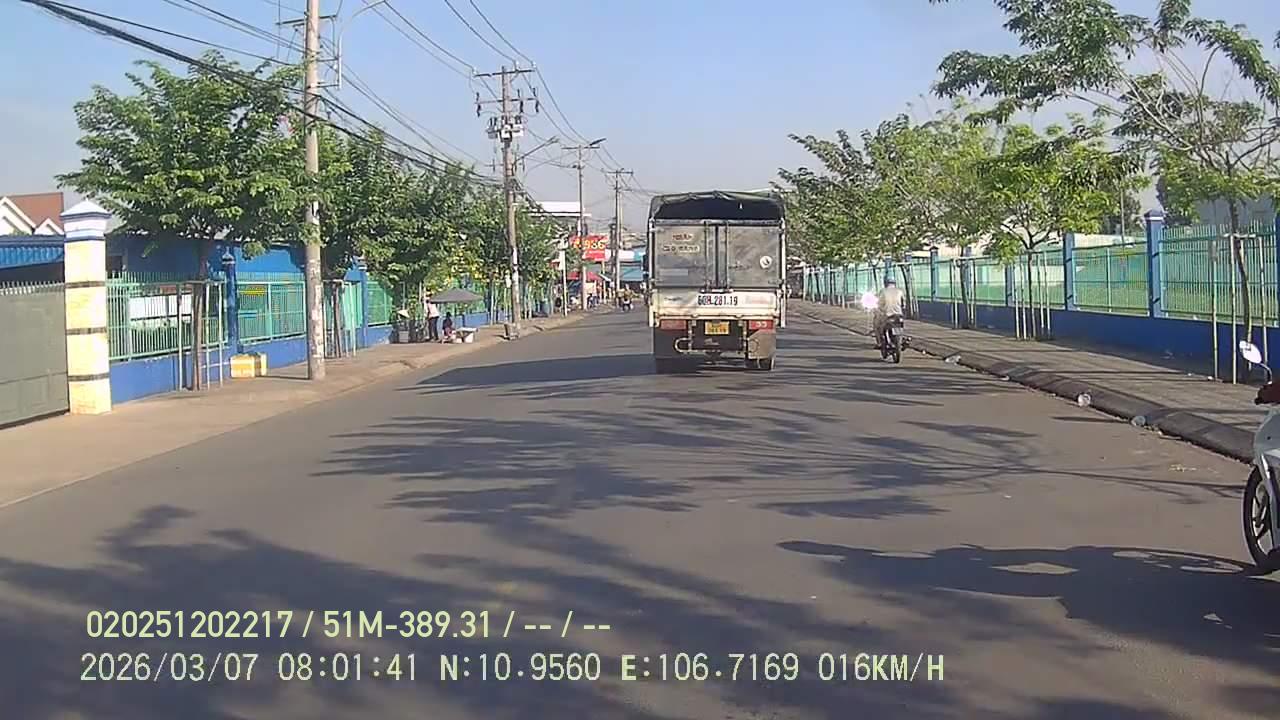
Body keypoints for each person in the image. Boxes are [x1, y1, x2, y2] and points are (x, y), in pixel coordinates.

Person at [873, 278, 905, 349]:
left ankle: (879, 343)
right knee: (900, 327)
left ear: (885, 284)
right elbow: (903, 304)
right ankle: (900, 341)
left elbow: (879, 303)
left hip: (887, 315)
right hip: (898, 315)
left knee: (877, 326)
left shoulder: (883, 291)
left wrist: (877, 309)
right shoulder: (900, 291)